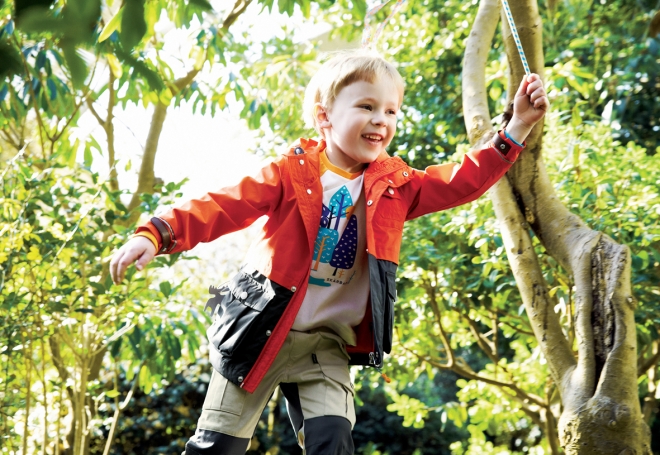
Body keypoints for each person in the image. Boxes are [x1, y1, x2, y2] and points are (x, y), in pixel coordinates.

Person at [110, 49, 549, 455]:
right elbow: (224, 204)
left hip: (325, 347)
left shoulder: (397, 186)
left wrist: (518, 127)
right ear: (325, 116)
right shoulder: (289, 173)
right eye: (366, 106)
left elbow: (461, 181)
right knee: (218, 447)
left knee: (333, 439)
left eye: (390, 110)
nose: (381, 119)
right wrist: (155, 233)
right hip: (261, 333)